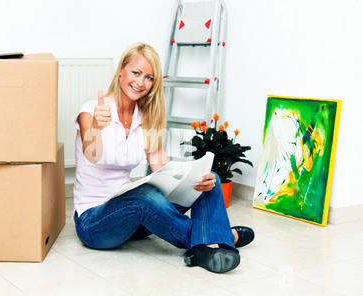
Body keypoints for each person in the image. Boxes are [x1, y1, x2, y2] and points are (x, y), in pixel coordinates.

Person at [73, 42, 254, 273]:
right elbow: (91, 151)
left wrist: (196, 178)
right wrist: (97, 127)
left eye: (148, 77)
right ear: (121, 69)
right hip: (94, 223)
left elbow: (166, 173)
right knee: (143, 196)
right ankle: (221, 238)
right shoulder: (91, 111)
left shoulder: (145, 118)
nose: (140, 83)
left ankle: (206, 244)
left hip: (133, 219)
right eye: (135, 73)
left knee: (210, 180)